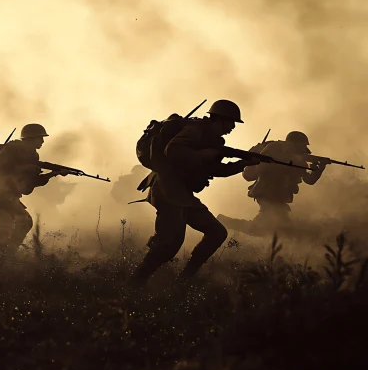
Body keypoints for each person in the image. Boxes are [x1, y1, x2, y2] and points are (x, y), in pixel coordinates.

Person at [131, 100, 261, 283]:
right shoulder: (195, 131)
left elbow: (216, 170)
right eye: (231, 123)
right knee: (169, 246)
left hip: (182, 194)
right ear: (220, 120)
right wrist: (204, 155)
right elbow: (173, 151)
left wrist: (243, 164)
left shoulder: (211, 140)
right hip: (168, 191)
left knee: (217, 233)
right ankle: (135, 283)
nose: (232, 128)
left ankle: (186, 278)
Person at [0, 123, 69, 257]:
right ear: (31, 138)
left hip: (4, 193)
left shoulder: (30, 155)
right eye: (40, 138)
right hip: (1, 192)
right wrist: (27, 168)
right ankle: (7, 254)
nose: (42, 141)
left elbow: (32, 181)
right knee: (25, 221)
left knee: (3, 229)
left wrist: (53, 173)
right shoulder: (13, 149)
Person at [217, 131, 328, 236]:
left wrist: (320, 168)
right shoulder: (276, 148)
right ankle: (225, 222)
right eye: (302, 145)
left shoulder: (299, 160)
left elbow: (310, 180)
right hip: (268, 193)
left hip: (278, 197)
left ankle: (225, 222)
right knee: (264, 229)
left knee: (278, 229)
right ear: (295, 143)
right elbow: (263, 167)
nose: (304, 149)